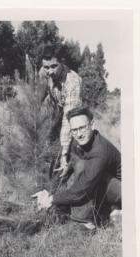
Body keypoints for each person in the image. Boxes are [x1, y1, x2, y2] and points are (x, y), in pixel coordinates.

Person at [32, 105, 121, 231]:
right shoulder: (82, 141)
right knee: (79, 166)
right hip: (106, 188)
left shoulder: (100, 151)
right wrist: (48, 192)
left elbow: (83, 189)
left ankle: (86, 223)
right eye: (74, 130)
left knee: (85, 170)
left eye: (82, 128)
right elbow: (67, 171)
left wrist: (52, 199)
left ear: (92, 125)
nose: (79, 134)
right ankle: (103, 211)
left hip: (125, 192)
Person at [39, 44, 82, 178]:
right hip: (60, 114)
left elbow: (68, 121)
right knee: (49, 151)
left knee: (71, 162)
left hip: (77, 122)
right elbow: (41, 96)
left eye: (54, 66)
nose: (50, 72)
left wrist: (63, 154)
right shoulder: (45, 73)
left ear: (62, 63)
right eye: (46, 67)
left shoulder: (72, 82)